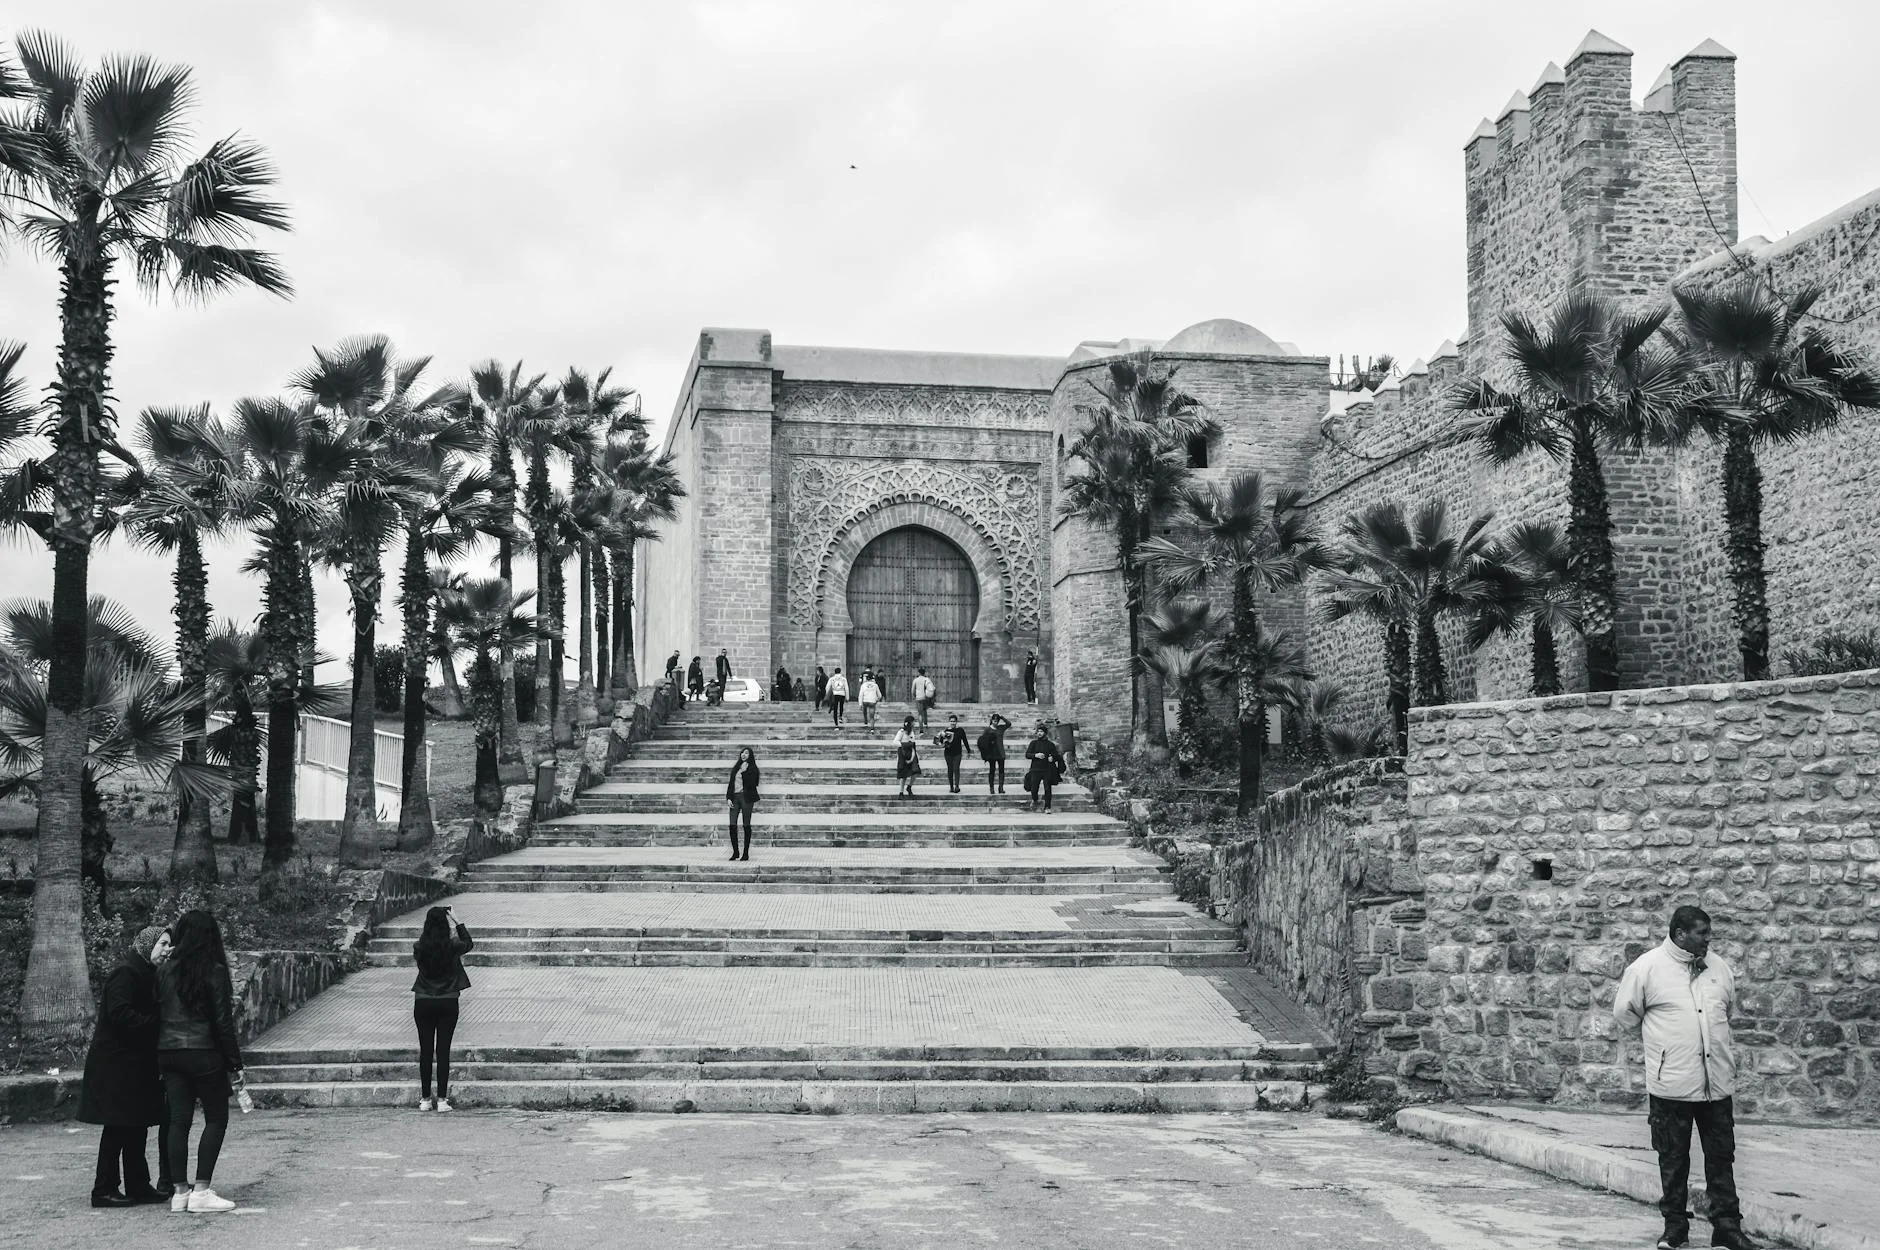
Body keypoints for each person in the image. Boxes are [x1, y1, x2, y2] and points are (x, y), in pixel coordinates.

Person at [1614, 906, 1756, 1250]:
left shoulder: (1719, 968)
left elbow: (1728, 1010)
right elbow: (1625, 1014)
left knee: (1722, 1158)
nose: (1709, 939)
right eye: (1702, 933)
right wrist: (1666, 1046)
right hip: (1672, 1085)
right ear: (1680, 934)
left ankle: (1726, 1228)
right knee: (1673, 1159)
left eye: (1708, 933)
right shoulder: (1646, 969)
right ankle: (1675, 1228)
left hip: (1716, 1085)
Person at [79, 925, 173, 1208]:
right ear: (147, 945)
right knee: (118, 1127)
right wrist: (158, 1024)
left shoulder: (147, 974)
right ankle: (104, 1188)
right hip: (117, 1065)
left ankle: (138, 1184)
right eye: (163, 944)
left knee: (137, 1125)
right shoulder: (126, 973)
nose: (167, 950)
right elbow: (120, 1014)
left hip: (134, 1065)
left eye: (170, 945)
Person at [157, 909, 243, 1214]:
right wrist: (235, 1063)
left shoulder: (165, 970)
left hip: (168, 1052)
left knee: (178, 1120)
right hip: (203, 1052)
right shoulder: (214, 970)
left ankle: (179, 1191)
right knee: (216, 1118)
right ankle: (202, 1190)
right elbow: (223, 1023)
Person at [411, 905, 474, 1113]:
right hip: (448, 1000)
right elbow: (469, 944)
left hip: (423, 1000)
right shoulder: (453, 946)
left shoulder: (419, 947)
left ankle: (425, 1099)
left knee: (426, 1051)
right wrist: (457, 921)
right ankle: (443, 1100)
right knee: (443, 1050)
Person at [726, 746, 761, 860]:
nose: (744, 754)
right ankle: (735, 852)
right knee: (732, 825)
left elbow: (753, 784)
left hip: (746, 798)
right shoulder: (736, 768)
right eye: (742, 752)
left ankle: (745, 853)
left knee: (746, 824)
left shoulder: (753, 768)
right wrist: (728, 798)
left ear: (750, 755)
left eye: (746, 753)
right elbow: (731, 783)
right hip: (734, 798)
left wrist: (745, 772)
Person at [1023, 724, 1065, 812]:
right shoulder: (1033, 743)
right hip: (1035, 769)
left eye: (1041, 731)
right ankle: (1035, 800)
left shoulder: (1050, 744)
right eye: (1038, 731)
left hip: (1047, 769)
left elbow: (1056, 756)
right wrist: (1035, 755)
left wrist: (1052, 758)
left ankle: (1047, 807)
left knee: (1047, 789)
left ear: (1045, 733)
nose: (1039, 733)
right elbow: (1027, 755)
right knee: (1034, 788)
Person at [977, 712, 1012, 795]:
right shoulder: (987, 730)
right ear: (991, 720)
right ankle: (991, 788)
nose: (995, 722)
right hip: (991, 753)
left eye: (997, 720)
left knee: (1001, 771)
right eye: (994, 720)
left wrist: (1002, 716)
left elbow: (1009, 724)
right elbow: (982, 742)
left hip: (1000, 752)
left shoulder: (1000, 728)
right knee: (992, 771)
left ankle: (1001, 787)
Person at [937, 714, 969, 794]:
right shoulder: (945, 731)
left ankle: (957, 786)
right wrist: (942, 743)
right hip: (948, 753)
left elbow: (965, 740)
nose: (952, 723)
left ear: (956, 722)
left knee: (956, 769)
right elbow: (939, 741)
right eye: (951, 721)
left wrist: (968, 750)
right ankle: (951, 786)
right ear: (949, 722)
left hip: (957, 753)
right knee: (950, 769)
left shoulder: (960, 730)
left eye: (954, 721)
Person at [892, 716, 922, 797]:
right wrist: (904, 745)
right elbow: (895, 742)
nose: (914, 723)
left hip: (912, 753)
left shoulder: (912, 731)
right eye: (913, 721)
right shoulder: (901, 731)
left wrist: (916, 754)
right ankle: (901, 792)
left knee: (915, 771)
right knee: (903, 774)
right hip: (903, 754)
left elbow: (913, 743)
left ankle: (909, 787)